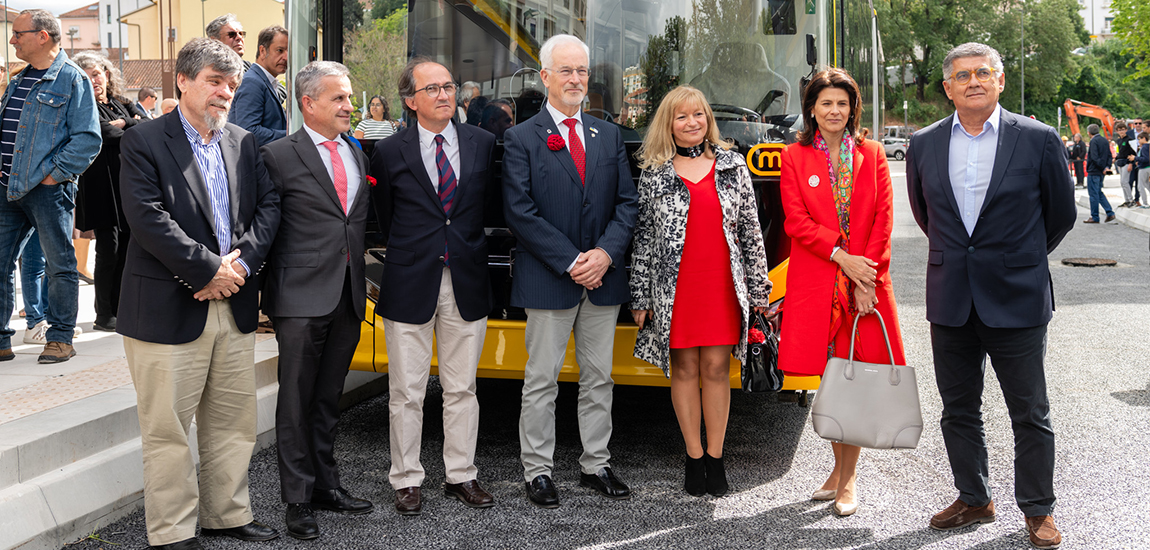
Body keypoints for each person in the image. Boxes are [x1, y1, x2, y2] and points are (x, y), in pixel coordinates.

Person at [906, 42, 1076, 549]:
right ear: (948, 88)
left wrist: (1017, 257)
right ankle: (974, 498)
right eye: (963, 75)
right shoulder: (925, 143)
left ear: (1000, 81)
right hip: (951, 296)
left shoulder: (1039, 139)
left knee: (1030, 412)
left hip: (1018, 296)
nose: (974, 80)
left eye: (984, 72)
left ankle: (1037, 511)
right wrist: (966, 258)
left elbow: (1060, 214)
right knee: (958, 409)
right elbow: (925, 214)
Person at [118, 37, 281, 550]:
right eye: (215, 81)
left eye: (232, 84)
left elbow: (268, 209)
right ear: (183, 80)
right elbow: (147, 219)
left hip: (232, 306)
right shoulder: (143, 141)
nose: (225, 93)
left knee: (233, 424)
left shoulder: (242, 140)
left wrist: (240, 266)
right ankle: (171, 532)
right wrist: (208, 269)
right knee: (168, 429)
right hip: (170, 306)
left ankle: (227, 515)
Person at [502, 34, 638, 508]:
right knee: (541, 380)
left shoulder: (608, 135)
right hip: (549, 279)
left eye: (581, 71)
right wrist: (571, 260)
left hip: (603, 279)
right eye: (566, 70)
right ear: (545, 77)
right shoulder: (521, 138)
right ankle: (537, 471)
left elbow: (627, 203)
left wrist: (604, 255)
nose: (576, 79)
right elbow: (520, 212)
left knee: (600, 377)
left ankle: (595, 463)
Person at [369, 58, 497, 516]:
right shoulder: (387, 152)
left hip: (466, 280)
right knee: (406, 390)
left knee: (463, 388)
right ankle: (406, 479)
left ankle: (461, 475)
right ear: (410, 100)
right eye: (433, 89)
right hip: (409, 280)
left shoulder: (482, 143)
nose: (444, 95)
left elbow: (485, 208)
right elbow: (385, 215)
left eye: (449, 86)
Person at [628, 85, 770, 498]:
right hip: (674, 289)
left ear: (708, 120)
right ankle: (693, 458)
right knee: (685, 370)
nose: (692, 123)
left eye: (699, 115)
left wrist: (760, 291)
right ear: (668, 125)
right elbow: (643, 238)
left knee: (716, 371)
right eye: (681, 117)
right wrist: (639, 296)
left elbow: (751, 234)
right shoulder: (655, 173)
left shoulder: (732, 165)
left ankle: (716, 456)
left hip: (722, 286)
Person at [778, 68, 905, 517]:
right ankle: (838, 469)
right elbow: (796, 221)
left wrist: (864, 280)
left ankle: (847, 479)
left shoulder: (871, 154)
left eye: (842, 104)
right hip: (818, 281)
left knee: (856, 380)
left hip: (866, 286)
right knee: (833, 381)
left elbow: (883, 221)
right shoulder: (794, 157)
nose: (834, 111)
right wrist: (840, 257)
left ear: (853, 110)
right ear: (812, 109)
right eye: (826, 103)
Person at [260, 60, 374, 539]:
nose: (351, 106)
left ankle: (327, 484)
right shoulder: (275, 155)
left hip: (347, 295)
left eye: (349, 97)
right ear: (309, 104)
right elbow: (264, 229)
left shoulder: (357, 152)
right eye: (340, 99)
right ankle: (297, 499)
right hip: (299, 299)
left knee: (330, 398)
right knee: (295, 400)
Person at [0, 9, 100, 364]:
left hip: (47, 191)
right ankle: (1, 340)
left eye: (18, 33)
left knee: (59, 265)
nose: (13, 39)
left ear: (43, 36)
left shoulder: (72, 79)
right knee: (0, 263)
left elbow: (87, 139)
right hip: (7, 187)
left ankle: (59, 338)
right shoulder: (18, 79)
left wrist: (53, 175)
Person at [73, 51, 138, 333]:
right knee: (108, 251)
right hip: (100, 188)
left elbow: (146, 126)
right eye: (87, 76)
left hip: (125, 187)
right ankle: (104, 314)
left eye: (97, 73)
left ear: (107, 74)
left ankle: (122, 307)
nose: (94, 79)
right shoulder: (81, 108)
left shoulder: (120, 104)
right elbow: (103, 135)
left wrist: (125, 122)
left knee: (126, 248)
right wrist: (127, 125)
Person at [229, 25, 288, 146]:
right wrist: (291, 135)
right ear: (262, 51)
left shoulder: (265, 80)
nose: (286, 57)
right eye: (280, 50)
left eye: (289, 51)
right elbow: (249, 131)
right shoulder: (252, 82)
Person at [1085, 123, 1115, 223]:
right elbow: (1109, 155)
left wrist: (1101, 167)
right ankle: (1109, 212)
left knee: (1093, 194)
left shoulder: (1093, 141)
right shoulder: (1104, 140)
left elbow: (1094, 157)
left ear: (1089, 132)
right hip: (1102, 171)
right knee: (1098, 192)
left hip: (1094, 170)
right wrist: (1107, 167)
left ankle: (1094, 216)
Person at [1114, 121, 1138, 207]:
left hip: (1127, 162)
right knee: (1122, 182)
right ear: (1117, 131)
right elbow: (1119, 151)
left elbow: (1134, 153)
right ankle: (1127, 199)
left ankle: (1131, 200)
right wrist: (1116, 158)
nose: (1121, 131)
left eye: (1123, 130)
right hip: (1120, 162)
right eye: (1119, 130)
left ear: (1126, 130)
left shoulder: (1130, 140)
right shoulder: (1119, 140)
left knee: (1125, 181)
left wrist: (1131, 163)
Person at [1136, 131, 1150, 210]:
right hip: (1147, 167)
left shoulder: (1144, 147)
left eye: (1139, 139)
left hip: (1144, 168)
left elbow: (1145, 158)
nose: (1138, 141)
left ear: (1144, 138)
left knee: (1140, 186)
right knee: (1147, 185)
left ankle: (1145, 203)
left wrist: (1135, 158)